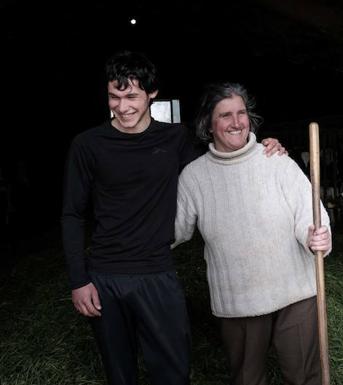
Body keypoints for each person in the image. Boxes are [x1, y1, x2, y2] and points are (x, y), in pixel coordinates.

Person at [61, 51, 285, 385]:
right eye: (114, 97)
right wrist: (79, 280)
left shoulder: (175, 138)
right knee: (119, 373)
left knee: (173, 371)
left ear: (151, 93)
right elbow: (72, 213)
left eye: (131, 96)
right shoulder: (88, 145)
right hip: (105, 276)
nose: (122, 107)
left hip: (158, 272)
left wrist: (259, 148)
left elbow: (215, 172)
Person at [172, 82, 332, 385]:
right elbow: (175, 229)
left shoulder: (276, 160)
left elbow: (308, 212)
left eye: (241, 113)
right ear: (208, 124)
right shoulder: (194, 177)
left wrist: (315, 235)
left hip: (294, 290)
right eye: (225, 115)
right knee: (247, 378)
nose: (236, 123)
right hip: (238, 299)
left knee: (304, 376)